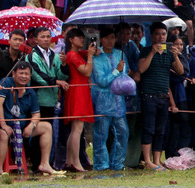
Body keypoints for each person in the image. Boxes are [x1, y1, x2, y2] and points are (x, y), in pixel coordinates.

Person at [0, 61, 61, 175]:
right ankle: (0, 170)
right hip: (5, 124)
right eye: (21, 73)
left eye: (26, 74)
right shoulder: (6, 82)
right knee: (3, 134)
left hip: (23, 126)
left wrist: (31, 125)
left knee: (47, 127)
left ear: (30, 76)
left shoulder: (30, 91)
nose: (24, 76)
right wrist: (3, 125)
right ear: (13, 73)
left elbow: (36, 114)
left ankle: (44, 163)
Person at [138, 22, 185, 169]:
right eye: (157, 34)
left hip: (163, 96)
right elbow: (141, 69)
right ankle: (147, 161)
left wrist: (176, 56)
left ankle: (157, 160)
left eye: (163, 34)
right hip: (149, 96)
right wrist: (152, 52)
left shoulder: (169, 52)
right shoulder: (145, 50)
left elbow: (181, 71)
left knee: (160, 130)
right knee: (148, 129)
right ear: (151, 36)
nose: (161, 37)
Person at [91, 27, 130, 171]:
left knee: (123, 133)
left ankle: (118, 163)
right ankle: (101, 165)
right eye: (107, 38)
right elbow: (101, 80)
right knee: (101, 135)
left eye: (113, 38)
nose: (110, 41)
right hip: (103, 101)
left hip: (119, 101)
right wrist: (116, 71)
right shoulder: (97, 57)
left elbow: (124, 75)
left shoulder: (120, 54)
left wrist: (120, 71)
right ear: (101, 39)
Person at [63, 28, 95, 172]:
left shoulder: (76, 54)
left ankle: (70, 160)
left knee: (75, 129)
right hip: (78, 91)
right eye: (79, 37)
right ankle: (76, 161)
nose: (82, 40)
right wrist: (90, 56)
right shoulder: (72, 55)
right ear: (71, 39)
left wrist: (90, 52)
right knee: (77, 129)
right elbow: (87, 71)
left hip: (79, 90)